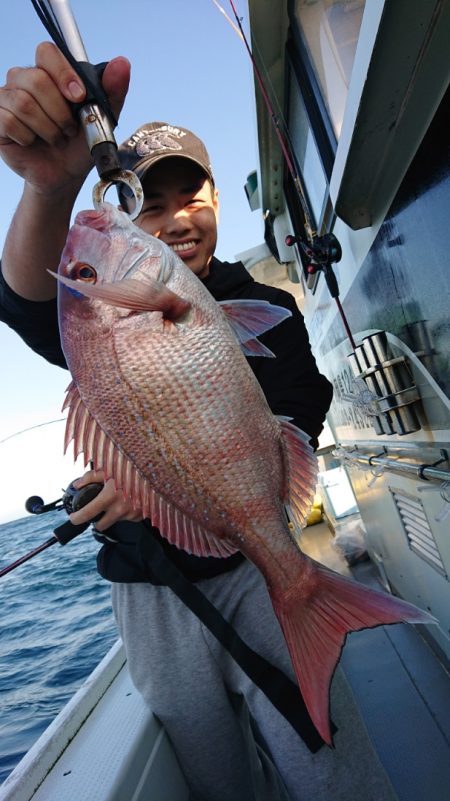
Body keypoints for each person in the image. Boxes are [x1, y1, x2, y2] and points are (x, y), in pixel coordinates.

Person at [0, 43, 396, 801]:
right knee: (213, 771)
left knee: (329, 761)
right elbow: (22, 302)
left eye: (192, 194)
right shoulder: (98, 314)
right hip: (153, 590)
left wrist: (171, 472)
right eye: (149, 204)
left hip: (257, 570)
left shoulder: (265, 305)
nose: (176, 218)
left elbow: (299, 402)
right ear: (126, 218)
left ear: (217, 197)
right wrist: (50, 194)